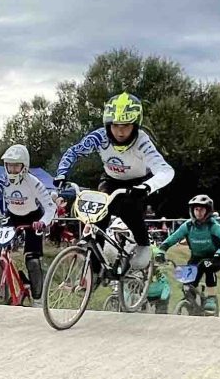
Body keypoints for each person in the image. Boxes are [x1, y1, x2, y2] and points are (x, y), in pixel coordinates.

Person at [52, 92, 173, 272]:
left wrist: (147, 187)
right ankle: (94, 269)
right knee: (97, 218)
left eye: (126, 125)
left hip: (137, 183)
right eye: (115, 125)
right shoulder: (99, 136)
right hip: (110, 180)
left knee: (129, 208)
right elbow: (74, 152)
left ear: (135, 124)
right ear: (108, 124)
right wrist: (61, 174)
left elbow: (166, 170)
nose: (120, 131)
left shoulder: (142, 141)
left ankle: (143, 245)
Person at [0, 144, 57, 298]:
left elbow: (50, 206)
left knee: (32, 259)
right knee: (0, 249)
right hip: (12, 215)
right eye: (9, 166)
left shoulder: (33, 182)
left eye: (16, 166)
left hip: (33, 217)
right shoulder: (2, 181)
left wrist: (43, 222)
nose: (12, 170)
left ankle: (37, 297)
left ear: (24, 166)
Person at [151, 194, 220, 288]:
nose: (198, 212)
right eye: (196, 209)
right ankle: (189, 300)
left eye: (202, 209)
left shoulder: (212, 225)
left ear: (207, 211)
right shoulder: (188, 225)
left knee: (206, 267)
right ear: (192, 210)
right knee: (187, 283)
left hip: (214, 258)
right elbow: (172, 238)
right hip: (196, 257)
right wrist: (161, 251)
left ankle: (211, 297)